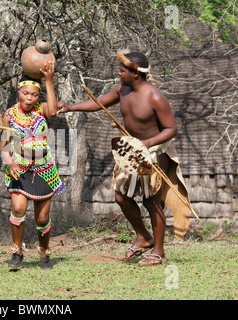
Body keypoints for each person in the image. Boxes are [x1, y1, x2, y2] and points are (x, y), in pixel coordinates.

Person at [57, 50, 191, 266]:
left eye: (122, 70)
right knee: (121, 197)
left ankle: (159, 252)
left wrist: (147, 143)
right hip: (131, 150)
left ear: (135, 73)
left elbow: (171, 128)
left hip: (154, 152)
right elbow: (99, 103)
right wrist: (69, 108)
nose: (118, 73)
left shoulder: (154, 96)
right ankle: (143, 236)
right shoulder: (123, 89)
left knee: (152, 201)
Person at [1, 61, 65, 269]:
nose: (29, 98)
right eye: (25, 93)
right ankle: (17, 252)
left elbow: (54, 111)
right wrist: (9, 162)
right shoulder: (9, 115)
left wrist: (48, 80)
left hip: (44, 170)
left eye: (34, 95)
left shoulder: (43, 109)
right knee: (18, 209)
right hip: (19, 169)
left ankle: (44, 253)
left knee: (42, 217)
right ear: (19, 92)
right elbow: (3, 145)